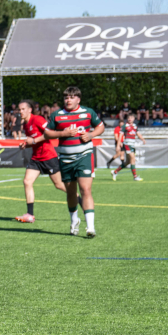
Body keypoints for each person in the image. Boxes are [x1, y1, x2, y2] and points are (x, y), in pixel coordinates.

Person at [44, 85, 105, 237]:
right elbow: (47, 133)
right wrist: (62, 133)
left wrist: (91, 135)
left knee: (85, 189)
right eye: (66, 97)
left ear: (78, 99)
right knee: (71, 192)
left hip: (84, 156)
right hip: (65, 159)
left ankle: (90, 227)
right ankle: (74, 221)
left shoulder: (88, 112)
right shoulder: (57, 115)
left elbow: (100, 127)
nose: (68, 100)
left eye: (71, 97)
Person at [14, 99, 68, 223]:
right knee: (27, 181)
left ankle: (78, 199)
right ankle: (30, 215)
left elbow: (50, 134)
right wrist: (26, 145)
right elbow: (33, 141)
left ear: (29, 110)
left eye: (23, 109)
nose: (20, 111)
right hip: (36, 158)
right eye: (19, 109)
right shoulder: (25, 124)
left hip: (48, 156)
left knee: (59, 185)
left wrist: (32, 141)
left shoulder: (37, 119)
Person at [111, 113, 145, 181]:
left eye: (131, 117)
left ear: (134, 119)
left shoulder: (135, 126)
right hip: (127, 144)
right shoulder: (124, 126)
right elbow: (120, 135)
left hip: (132, 145)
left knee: (128, 162)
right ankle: (135, 177)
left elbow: (138, 134)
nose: (130, 119)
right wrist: (118, 145)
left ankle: (115, 172)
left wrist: (143, 139)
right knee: (133, 158)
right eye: (129, 117)